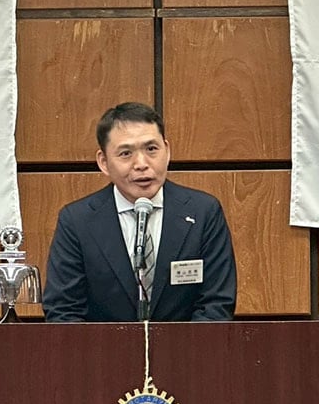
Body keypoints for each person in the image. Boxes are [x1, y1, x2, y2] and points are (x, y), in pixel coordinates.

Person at [43, 102, 237, 322]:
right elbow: (63, 310)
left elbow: (216, 304)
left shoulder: (203, 212)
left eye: (151, 149)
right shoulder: (77, 221)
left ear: (167, 151)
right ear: (104, 162)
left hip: (187, 344)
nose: (141, 164)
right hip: (102, 344)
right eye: (126, 153)